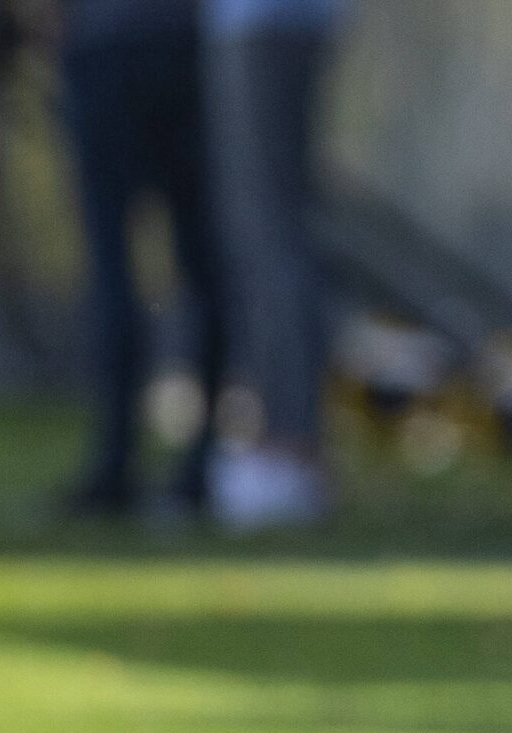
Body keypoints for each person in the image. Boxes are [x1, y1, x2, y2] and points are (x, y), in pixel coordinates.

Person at [51, 0, 224, 517]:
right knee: (201, 264)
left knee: (116, 265)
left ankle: (116, 462)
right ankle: (202, 459)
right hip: (184, 44)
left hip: (107, 43)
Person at [203, 0, 344, 529]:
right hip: (269, 21)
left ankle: (290, 450)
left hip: (265, 19)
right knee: (268, 231)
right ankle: (283, 444)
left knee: (269, 232)